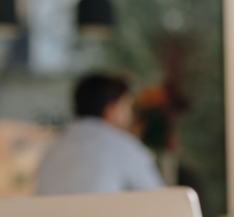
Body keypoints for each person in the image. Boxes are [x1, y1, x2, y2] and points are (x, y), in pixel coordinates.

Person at [36, 74, 165, 195]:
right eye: (126, 107)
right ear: (111, 110)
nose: (130, 116)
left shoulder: (52, 151)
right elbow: (159, 201)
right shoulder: (124, 148)